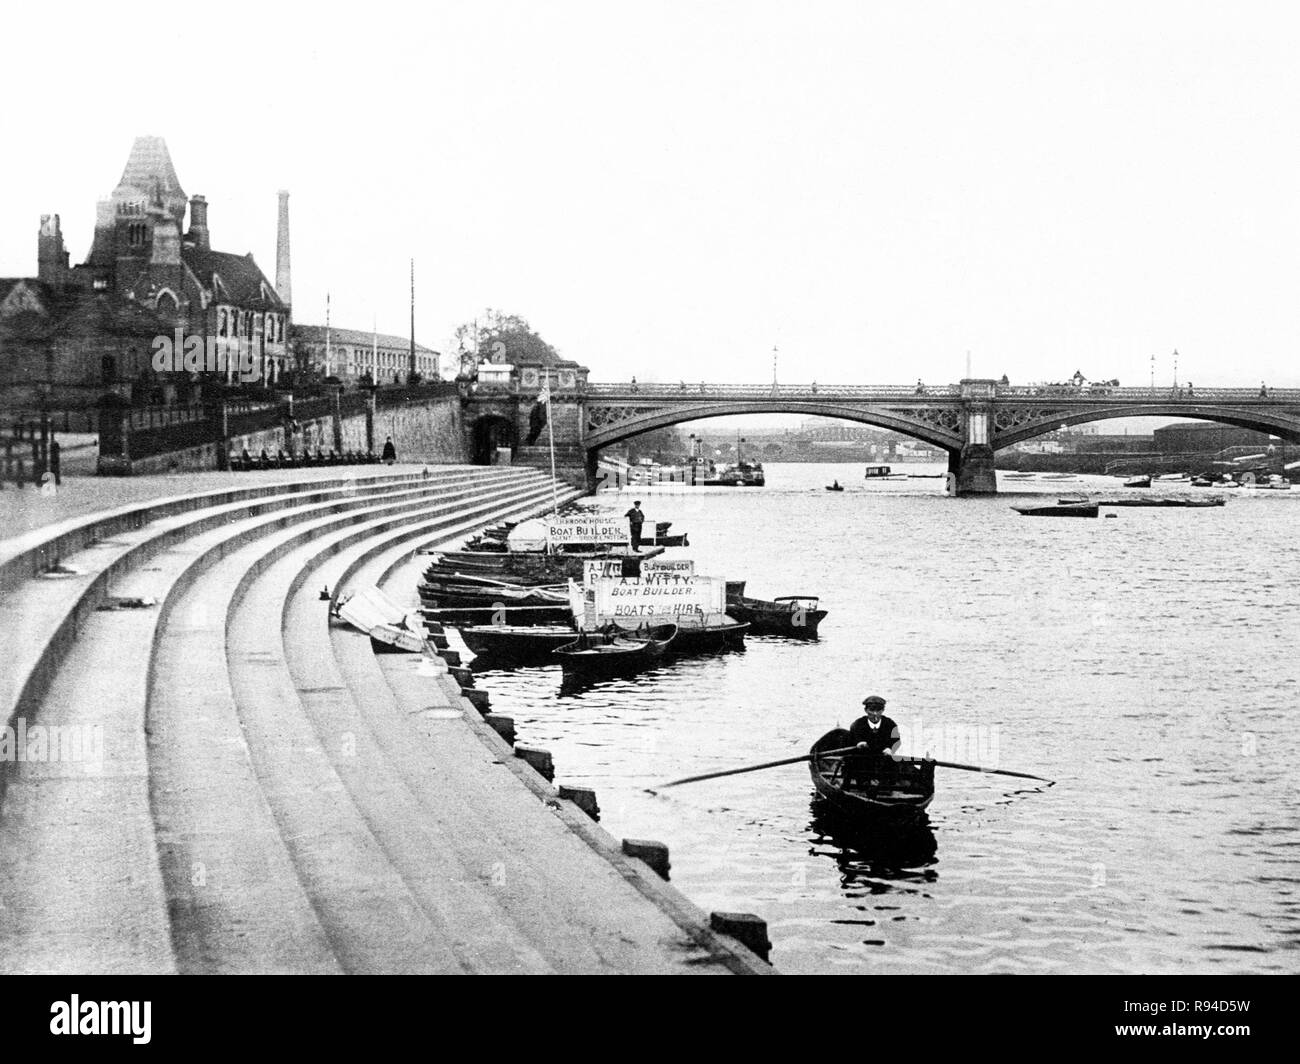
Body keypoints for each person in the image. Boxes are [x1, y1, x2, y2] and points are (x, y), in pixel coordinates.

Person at [843, 695, 900, 787]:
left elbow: (896, 740)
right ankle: (859, 783)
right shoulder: (858, 724)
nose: (875, 714)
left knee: (892, 763)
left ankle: (885, 784)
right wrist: (859, 742)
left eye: (878, 711)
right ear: (866, 711)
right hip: (862, 758)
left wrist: (890, 748)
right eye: (871, 710)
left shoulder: (890, 724)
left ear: (882, 711)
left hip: (882, 757)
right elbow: (852, 738)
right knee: (852, 761)